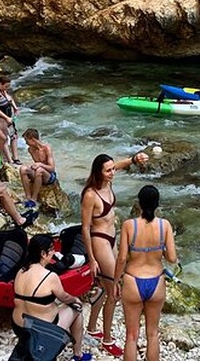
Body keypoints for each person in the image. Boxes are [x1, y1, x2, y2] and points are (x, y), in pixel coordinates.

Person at [80, 151, 149, 358]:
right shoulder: (90, 195)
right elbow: (85, 228)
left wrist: (134, 160)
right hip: (99, 240)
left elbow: (119, 165)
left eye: (112, 169)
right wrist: (91, 259)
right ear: (99, 172)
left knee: (104, 286)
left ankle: (92, 327)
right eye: (108, 170)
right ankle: (107, 339)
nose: (112, 173)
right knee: (115, 292)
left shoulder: (108, 181)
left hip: (112, 239)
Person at [113, 185, 178, 361]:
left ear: (139, 203)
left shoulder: (129, 225)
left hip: (133, 280)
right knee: (153, 334)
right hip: (156, 281)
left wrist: (115, 283)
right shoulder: (164, 225)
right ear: (157, 204)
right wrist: (160, 250)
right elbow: (172, 258)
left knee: (131, 336)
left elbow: (121, 259)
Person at [12, 234, 91, 361]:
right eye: (52, 249)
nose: (54, 252)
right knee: (77, 308)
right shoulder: (49, 276)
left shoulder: (20, 271)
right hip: (40, 330)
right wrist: (76, 299)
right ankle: (78, 355)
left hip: (18, 326)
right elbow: (64, 297)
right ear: (43, 253)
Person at [17, 128, 56, 207]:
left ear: (32, 139)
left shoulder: (46, 148)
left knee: (40, 170)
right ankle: (28, 197)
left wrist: (40, 164)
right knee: (23, 169)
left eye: (26, 140)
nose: (26, 143)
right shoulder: (30, 150)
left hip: (49, 175)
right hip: (38, 173)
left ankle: (33, 199)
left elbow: (52, 168)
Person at [0, 75, 21, 165]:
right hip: (0, 118)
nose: (7, 88)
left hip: (9, 116)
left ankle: (16, 158)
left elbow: (10, 99)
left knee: (14, 136)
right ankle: (9, 160)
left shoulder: (3, 91)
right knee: (5, 138)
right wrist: (6, 118)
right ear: (0, 84)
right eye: (6, 86)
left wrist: (15, 108)